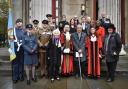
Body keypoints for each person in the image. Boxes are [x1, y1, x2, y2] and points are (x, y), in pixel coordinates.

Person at [12, 18, 24, 83]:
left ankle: (21, 76)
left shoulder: (23, 30)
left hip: (22, 49)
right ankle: (15, 77)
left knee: (21, 62)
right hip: (14, 49)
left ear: (22, 23)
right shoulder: (12, 30)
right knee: (15, 63)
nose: (19, 23)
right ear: (16, 23)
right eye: (18, 22)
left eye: (20, 22)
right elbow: (10, 40)